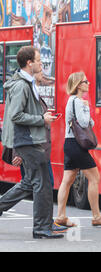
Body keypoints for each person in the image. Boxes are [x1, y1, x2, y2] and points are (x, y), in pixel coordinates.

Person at [0, 46, 62, 239]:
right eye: (39, 61)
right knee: (42, 183)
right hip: (27, 141)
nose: (41, 64)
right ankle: (42, 228)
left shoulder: (27, 83)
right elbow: (15, 115)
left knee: (32, 181)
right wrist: (41, 119)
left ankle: (43, 226)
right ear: (29, 63)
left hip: (30, 140)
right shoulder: (21, 86)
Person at [55, 71, 101, 227]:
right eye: (86, 81)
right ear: (79, 85)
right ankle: (96, 216)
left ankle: (60, 216)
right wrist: (87, 108)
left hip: (69, 143)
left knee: (67, 180)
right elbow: (84, 122)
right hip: (76, 145)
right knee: (94, 178)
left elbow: (90, 124)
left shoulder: (72, 101)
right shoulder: (78, 101)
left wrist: (87, 112)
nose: (89, 83)